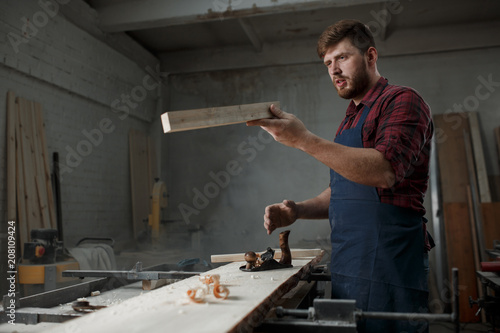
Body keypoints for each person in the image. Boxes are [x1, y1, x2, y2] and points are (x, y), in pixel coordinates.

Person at [247, 19, 434, 333]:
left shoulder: (402, 101)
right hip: (349, 266)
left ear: (370, 56)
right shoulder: (350, 118)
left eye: (342, 58)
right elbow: (346, 187)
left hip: (392, 267)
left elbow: (383, 171)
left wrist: (303, 139)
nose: (334, 70)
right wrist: (299, 210)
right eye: (328, 63)